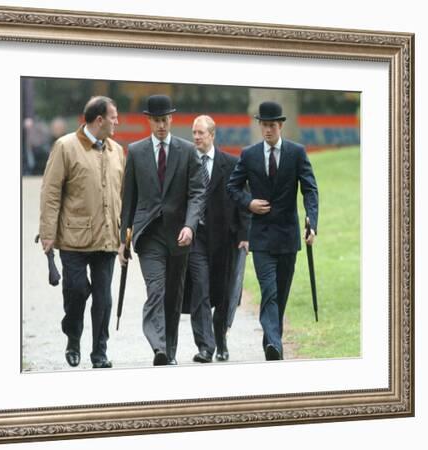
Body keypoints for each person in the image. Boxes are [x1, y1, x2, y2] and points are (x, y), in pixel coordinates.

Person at [227, 101, 319, 361]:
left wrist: (312, 220)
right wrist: (249, 203)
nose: (267, 130)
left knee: (280, 292)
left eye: (271, 125)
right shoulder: (249, 155)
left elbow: (310, 189)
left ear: (280, 126)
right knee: (269, 291)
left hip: (288, 237)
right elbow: (232, 188)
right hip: (262, 238)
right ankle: (275, 347)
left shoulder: (297, 153)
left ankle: (272, 340)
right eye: (263, 125)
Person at [119, 94, 205, 366]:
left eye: (164, 120)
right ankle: (158, 347)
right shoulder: (135, 151)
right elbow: (128, 199)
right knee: (156, 291)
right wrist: (123, 239)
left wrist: (190, 226)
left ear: (171, 119)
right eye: (156, 120)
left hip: (179, 235)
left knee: (173, 297)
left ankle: (169, 349)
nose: (161, 126)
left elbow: (197, 193)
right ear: (149, 121)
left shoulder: (187, 150)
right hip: (148, 236)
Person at [39, 96, 124, 369]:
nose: (117, 121)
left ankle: (99, 352)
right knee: (76, 292)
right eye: (113, 117)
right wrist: (47, 232)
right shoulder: (65, 146)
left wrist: (125, 235)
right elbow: (51, 192)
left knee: (104, 300)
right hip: (73, 239)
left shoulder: (117, 151)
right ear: (99, 120)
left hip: (107, 239)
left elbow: (123, 195)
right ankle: (73, 337)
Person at [183, 115, 251, 363]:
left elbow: (244, 200)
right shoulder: (186, 161)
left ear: (212, 135)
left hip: (225, 237)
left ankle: (220, 338)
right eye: (194, 133)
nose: (196, 137)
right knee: (199, 289)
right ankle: (205, 346)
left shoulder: (231, 164)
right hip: (196, 237)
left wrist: (244, 235)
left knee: (222, 293)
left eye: (201, 133)